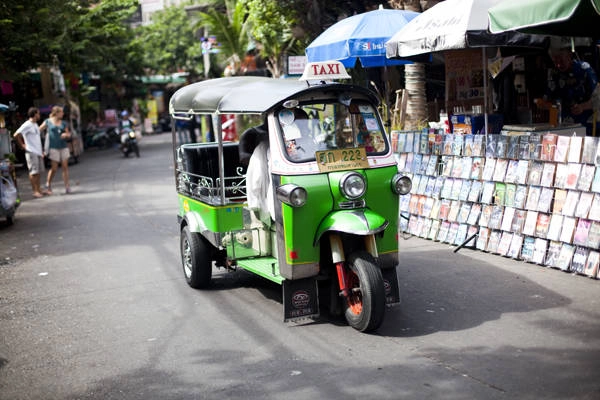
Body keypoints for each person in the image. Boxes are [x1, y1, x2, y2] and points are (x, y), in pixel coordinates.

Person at [547, 43, 600, 134]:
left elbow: (598, 98)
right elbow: (551, 99)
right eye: (555, 61)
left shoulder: (584, 69)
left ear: (569, 55)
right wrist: (545, 104)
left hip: (587, 125)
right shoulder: (554, 74)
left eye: (561, 60)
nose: (559, 65)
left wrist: (582, 107)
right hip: (564, 126)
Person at [13, 107, 48, 198]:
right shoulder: (27, 124)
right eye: (38, 113)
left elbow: (36, 138)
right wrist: (22, 145)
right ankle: (35, 191)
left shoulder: (35, 124)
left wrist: (41, 151)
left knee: (38, 172)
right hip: (31, 151)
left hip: (38, 152)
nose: (39, 115)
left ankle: (39, 189)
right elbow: (16, 135)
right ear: (34, 114)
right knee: (33, 172)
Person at [40, 106, 72, 194]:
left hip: (63, 146)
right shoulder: (48, 121)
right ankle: (48, 184)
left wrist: (66, 134)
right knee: (54, 168)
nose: (63, 114)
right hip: (53, 147)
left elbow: (68, 134)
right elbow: (38, 130)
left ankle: (67, 186)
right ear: (56, 113)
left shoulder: (64, 123)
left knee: (65, 167)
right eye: (61, 112)